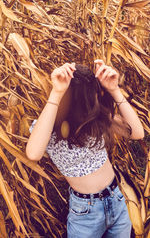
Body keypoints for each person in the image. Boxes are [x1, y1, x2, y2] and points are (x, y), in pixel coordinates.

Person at [26, 60, 144, 238]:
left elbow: (137, 133)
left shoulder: (96, 116)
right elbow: (33, 153)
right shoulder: (49, 127)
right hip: (86, 212)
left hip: (117, 199)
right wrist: (56, 93)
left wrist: (114, 90)